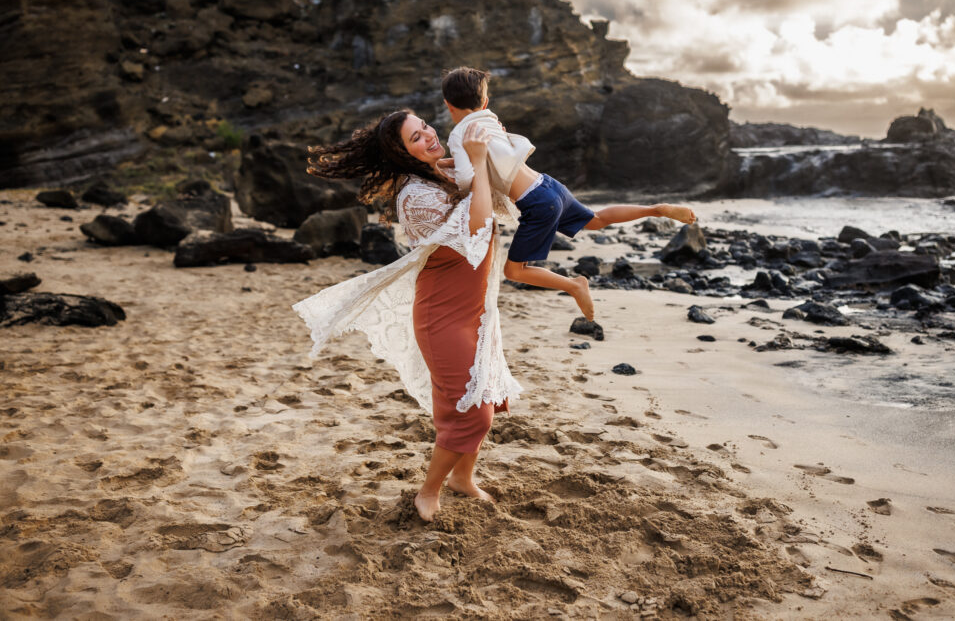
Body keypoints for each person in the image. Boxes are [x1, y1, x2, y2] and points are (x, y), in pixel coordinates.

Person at [292, 110, 519, 522]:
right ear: (402, 153)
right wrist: (480, 164)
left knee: (486, 396)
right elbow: (479, 222)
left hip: (475, 310)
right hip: (444, 317)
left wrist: (486, 149)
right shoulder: (414, 197)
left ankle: (463, 478)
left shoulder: (446, 173)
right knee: (469, 412)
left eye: (427, 127)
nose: (430, 136)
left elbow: (503, 199)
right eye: (417, 138)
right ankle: (428, 491)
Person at [442, 66, 700, 321]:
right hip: (548, 185)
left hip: (537, 203)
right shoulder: (488, 120)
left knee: (514, 271)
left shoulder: (458, 135)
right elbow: (487, 157)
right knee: (597, 220)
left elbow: (468, 177)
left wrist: (450, 172)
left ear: (448, 105)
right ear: (485, 101)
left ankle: (575, 285)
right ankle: (656, 209)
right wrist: (447, 162)